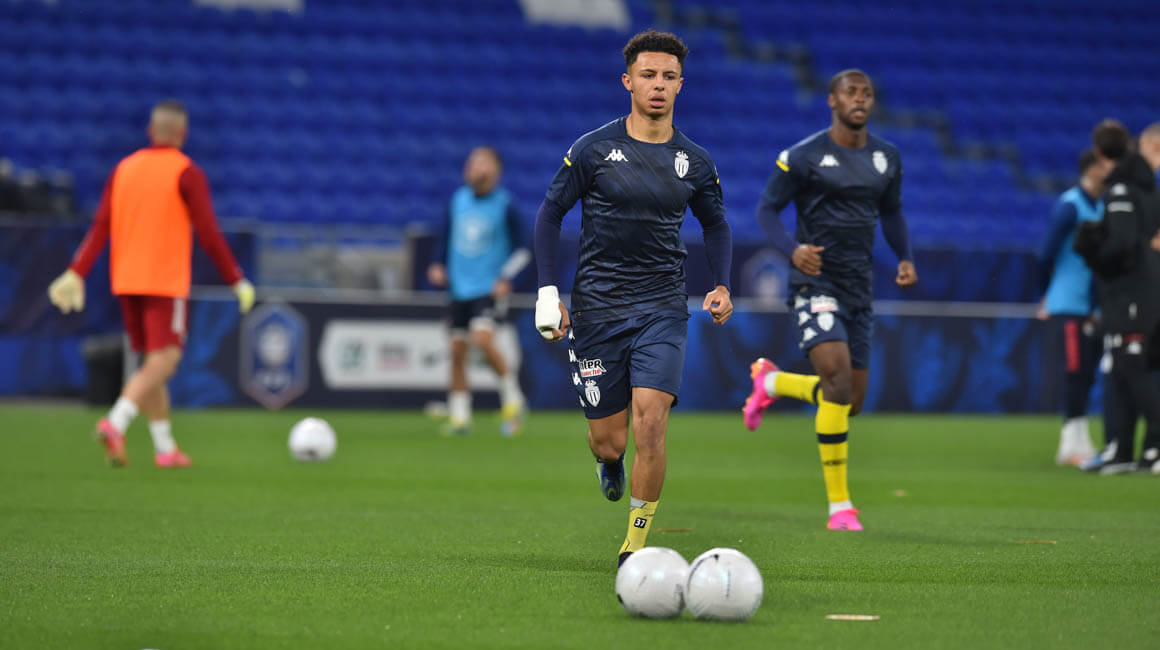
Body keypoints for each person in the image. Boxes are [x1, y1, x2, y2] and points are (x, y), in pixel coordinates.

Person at [533, 30, 733, 566]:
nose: (658, 85)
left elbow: (716, 225)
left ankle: (635, 546)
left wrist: (721, 284)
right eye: (648, 75)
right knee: (610, 441)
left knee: (651, 423)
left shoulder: (695, 161)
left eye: (669, 76)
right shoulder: (593, 150)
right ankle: (607, 461)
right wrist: (548, 292)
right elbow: (550, 215)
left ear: (681, 85)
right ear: (628, 81)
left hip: (662, 307)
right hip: (597, 309)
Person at [742, 69, 917, 531]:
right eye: (850, 92)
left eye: (867, 93)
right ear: (832, 101)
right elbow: (766, 210)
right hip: (814, 282)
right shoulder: (803, 156)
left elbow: (892, 212)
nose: (860, 99)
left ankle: (772, 383)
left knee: (850, 401)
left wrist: (905, 256)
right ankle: (840, 507)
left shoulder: (887, 157)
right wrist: (792, 251)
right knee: (836, 382)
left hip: (859, 286)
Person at [47, 100, 254, 468]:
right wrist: (236, 279)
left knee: (151, 363)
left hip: (127, 280)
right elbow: (208, 232)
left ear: (150, 131)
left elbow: (101, 225)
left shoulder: (124, 169)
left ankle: (165, 448)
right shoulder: (187, 172)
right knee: (166, 359)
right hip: (164, 281)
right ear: (183, 134)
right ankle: (117, 421)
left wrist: (76, 271)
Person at [1073, 120, 1160, 475]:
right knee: (1123, 369)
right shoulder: (1144, 188)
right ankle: (1122, 449)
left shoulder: (1124, 189)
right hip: (1135, 290)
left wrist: (1094, 250)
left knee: (1132, 367)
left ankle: (1144, 446)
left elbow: (1122, 244)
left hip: (1131, 292)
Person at [427, 146, 530, 436]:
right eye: (472, 162)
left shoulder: (506, 205)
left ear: (496, 170)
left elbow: (524, 249)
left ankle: (513, 398)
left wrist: (506, 277)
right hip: (459, 288)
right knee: (457, 350)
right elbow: (445, 238)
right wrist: (437, 264)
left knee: (482, 339)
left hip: (488, 287)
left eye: (482, 162)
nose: (475, 167)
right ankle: (460, 417)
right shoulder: (457, 200)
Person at [1036, 149, 1112, 466]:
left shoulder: (1102, 206)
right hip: (1068, 302)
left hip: (1093, 304)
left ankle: (1081, 439)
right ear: (1092, 168)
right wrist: (1047, 294)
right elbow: (1046, 254)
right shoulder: (1070, 205)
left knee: (1088, 374)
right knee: (1074, 370)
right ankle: (1069, 443)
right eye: (1105, 165)